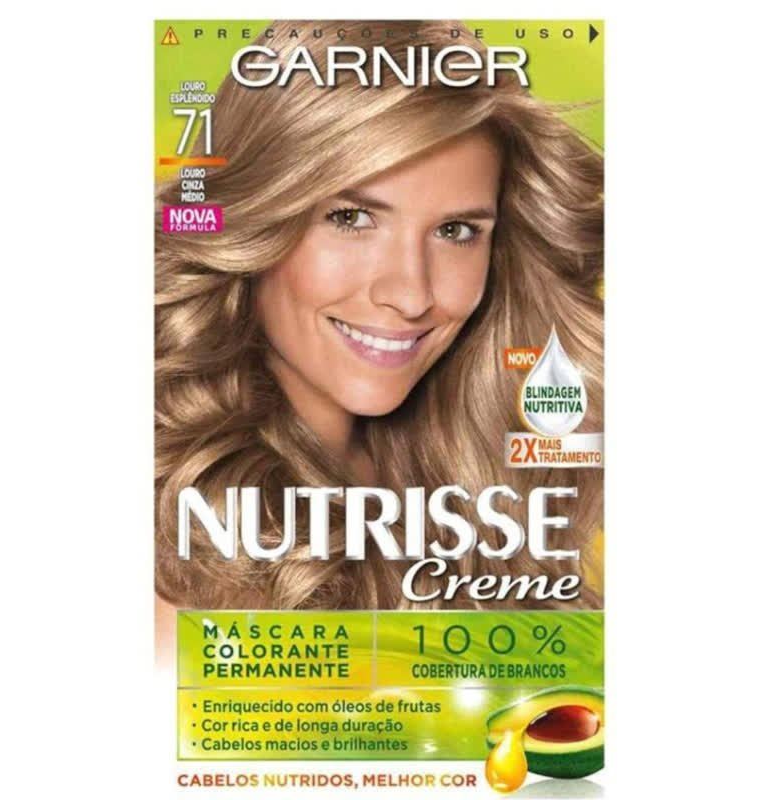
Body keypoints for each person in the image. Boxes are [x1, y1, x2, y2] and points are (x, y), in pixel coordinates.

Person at [155, 20, 604, 618]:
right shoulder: (177, 539)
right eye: (350, 219)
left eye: (455, 231)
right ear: (256, 218)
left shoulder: (485, 480)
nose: (411, 294)